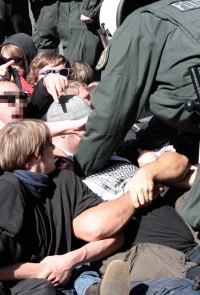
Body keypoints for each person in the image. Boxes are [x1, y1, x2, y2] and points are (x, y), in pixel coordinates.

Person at [0, 119, 196, 295]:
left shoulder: (64, 181)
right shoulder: (8, 189)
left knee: (182, 288)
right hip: (29, 283)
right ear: (37, 153)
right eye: (50, 145)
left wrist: (68, 260)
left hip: (73, 272)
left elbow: (115, 237)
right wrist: (41, 269)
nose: (54, 150)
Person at [72, 0, 200, 176]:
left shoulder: (139, 25)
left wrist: (79, 170)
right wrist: (140, 143)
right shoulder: (182, 10)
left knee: (191, 204)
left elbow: (112, 113)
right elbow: (177, 83)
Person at [29, 0, 106, 69]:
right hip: (44, 4)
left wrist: (90, 7)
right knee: (44, 62)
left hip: (77, 3)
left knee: (79, 66)